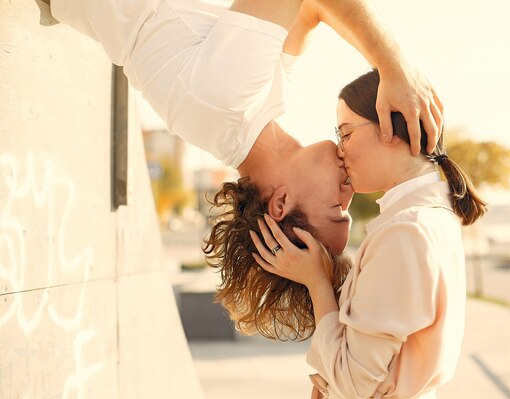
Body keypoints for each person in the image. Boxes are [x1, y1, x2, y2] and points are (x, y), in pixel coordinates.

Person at [41, 0, 444, 257]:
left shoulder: (227, 101)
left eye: (337, 209)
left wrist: (395, 67)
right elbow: (311, 10)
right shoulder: (253, 111)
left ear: (280, 204)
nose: (351, 188)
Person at [250, 69, 487, 399]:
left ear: (390, 128)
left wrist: (317, 281)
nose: (340, 151)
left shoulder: (406, 230)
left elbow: (354, 380)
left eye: (345, 133)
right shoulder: (422, 217)